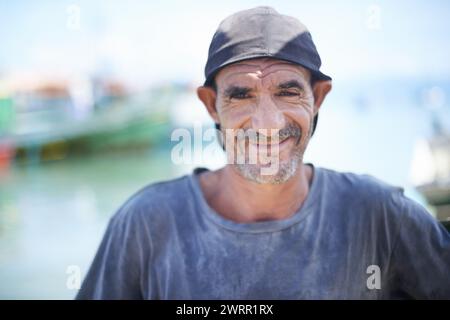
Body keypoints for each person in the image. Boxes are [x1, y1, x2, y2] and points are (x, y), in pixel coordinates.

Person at [76, 6, 450, 299]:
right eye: (241, 95)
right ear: (211, 104)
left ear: (317, 99)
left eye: (288, 92)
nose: (268, 122)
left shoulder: (379, 215)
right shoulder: (146, 224)